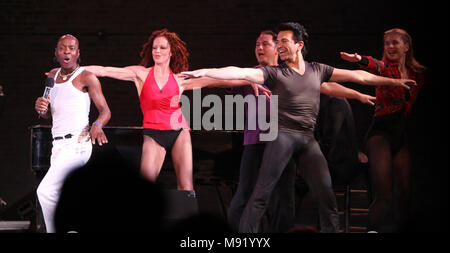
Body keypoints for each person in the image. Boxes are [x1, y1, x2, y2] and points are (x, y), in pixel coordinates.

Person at [181, 22, 416, 233]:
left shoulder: (317, 70)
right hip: (279, 138)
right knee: (259, 195)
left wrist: (390, 83)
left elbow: (357, 77)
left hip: (306, 140)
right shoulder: (272, 73)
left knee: (324, 196)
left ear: (299, 45)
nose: (279, 45)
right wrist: (203, 71)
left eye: (283, 41)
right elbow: (235, 73)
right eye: (278, 41)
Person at [85, 29, 268, 195]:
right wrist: (73, 72)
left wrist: (249, 79)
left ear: (171, 52)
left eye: (162, 47)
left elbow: (217, 79)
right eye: (155, 47)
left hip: (179, 131)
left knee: (186, 187)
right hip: (153, 133)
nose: (157, 51)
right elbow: (104, 70)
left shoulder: (180, 79)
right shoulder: (140, 73)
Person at [340, 28, 427, 232]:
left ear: (406, 46)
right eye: (386, 43)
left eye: (395, 42)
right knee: (384, 194)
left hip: (401, 133)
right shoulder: (385, 69)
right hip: (380, 133)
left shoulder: (418, 73)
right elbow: (374, 64)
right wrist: (359, 59)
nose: (389, 47)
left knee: (405, 193)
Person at [34, 34, 111, 233]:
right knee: (62, 196)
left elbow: (105, 110)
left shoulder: (86, 77)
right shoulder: (51, 76)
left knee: (45, 191)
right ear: (56, 53)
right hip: (57, 146)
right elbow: (48, 115)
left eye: (71, 48)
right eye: (62, 48)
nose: (66, 51)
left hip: (78, 143)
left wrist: (97, 123)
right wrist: (41, 109)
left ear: (77, 53)